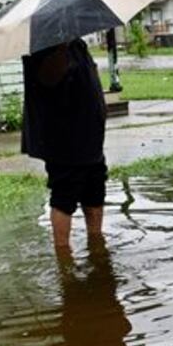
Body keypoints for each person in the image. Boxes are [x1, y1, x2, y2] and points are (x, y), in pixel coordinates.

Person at [21, 39, 108, 251]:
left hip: (90, 135)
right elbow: (49, 78)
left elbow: (92, 75)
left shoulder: (77, 44)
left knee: (95, 189)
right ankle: (63, 254)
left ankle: (96, 243)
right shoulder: (41, 46)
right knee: (64, 196)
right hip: (63, 139)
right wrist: (61, 47)